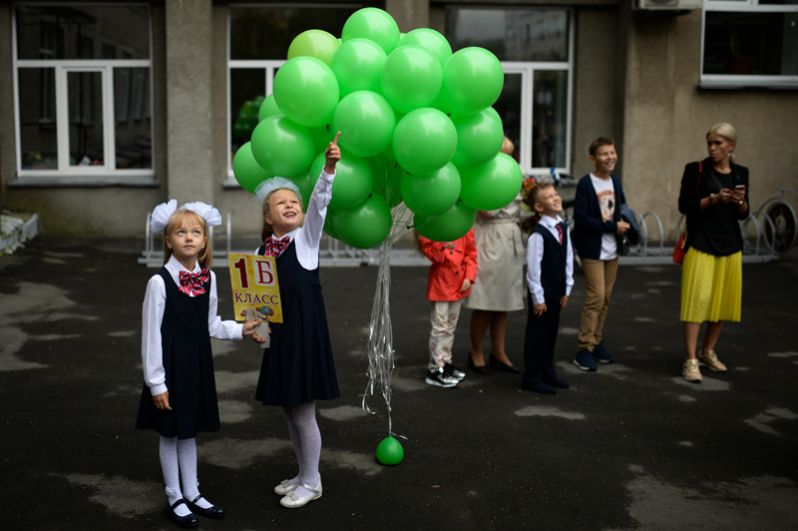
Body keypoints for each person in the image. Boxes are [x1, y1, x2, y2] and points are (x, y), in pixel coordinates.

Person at [135, 200, 261, 528]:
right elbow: (151, 336)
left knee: (189, 430)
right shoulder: (159, 282)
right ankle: (174, 495)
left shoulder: (209, 278)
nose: (189, 238)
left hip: (196, 365)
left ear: (204, 240)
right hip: (170, 367)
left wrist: (241, 329)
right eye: (181, 232)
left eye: (196, 232)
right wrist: (156, 382)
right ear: (168, 240)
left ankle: (192, 491)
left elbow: (211, 324)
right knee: (170, 432)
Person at [252, 132, 341, 509]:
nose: (289, 205)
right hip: (282, 338)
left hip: (304, 335)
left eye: (294, 201)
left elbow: (320, 203)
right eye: (280, 203)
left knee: (303, 408)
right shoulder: (262, 250)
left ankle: (312, 480)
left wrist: (329, 169)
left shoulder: (305, 240)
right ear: (268, 216)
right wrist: (256, 327)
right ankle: (303, 471)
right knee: (290, 407)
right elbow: (256, 300)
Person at [677, 122, 748, 383]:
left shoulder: (741, 173)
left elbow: (743, 214)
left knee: (721, 303)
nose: (712, 147)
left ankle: (707, 351)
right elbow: (684, 205)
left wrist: (740, 202)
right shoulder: (695, 170)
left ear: (731, 146)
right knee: (697, 302)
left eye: (718, 143)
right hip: (701, 243)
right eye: (710, 142)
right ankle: (691, 359)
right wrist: (713, 200)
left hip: (730, 245)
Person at [465, 137, 525, 374]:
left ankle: (499, 352)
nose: (507, 159)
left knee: (504, 301)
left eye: (510, 155)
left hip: (510, 236)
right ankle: (476, 351)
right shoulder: (486, 176)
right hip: (491, 237)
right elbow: (488, 210)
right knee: (486, 301)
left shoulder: (515, 174)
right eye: (503, 155)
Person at [571, 137, 630, 371]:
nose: (610, 157)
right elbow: (582, 219)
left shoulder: (615, 182)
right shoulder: (586, 184)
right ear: (593, 159)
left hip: (612, 249)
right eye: (604, 154)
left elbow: (621, 209)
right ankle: (584, 348)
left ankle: (596, 342)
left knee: (605, 298)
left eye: (612, 153)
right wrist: (611, 227)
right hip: (592, 249)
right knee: (595, 297)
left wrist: (624, 224)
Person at [521, 182, 574, 394]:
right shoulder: (538, 234)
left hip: (557, 290)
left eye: (555, 194)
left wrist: (567, 288)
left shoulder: (563, 227)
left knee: (551, 332)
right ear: (539, 207)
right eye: (549, 197)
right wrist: (538, 298)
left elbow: (568, 258)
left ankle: (547, 371)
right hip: (542, 294)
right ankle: (532, 375)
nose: (556, 197)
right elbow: (533, 270)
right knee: (537, 334)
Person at [417, 229, 478, 388]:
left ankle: (446, 362)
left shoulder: (464, 227)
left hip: (458, 284)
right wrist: (443, 244)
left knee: (450, 327)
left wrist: (469, 276)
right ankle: (435, 368)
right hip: (441, 284)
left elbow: (471, 253)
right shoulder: (435, 225)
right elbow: (431, 252)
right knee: (440, 327)